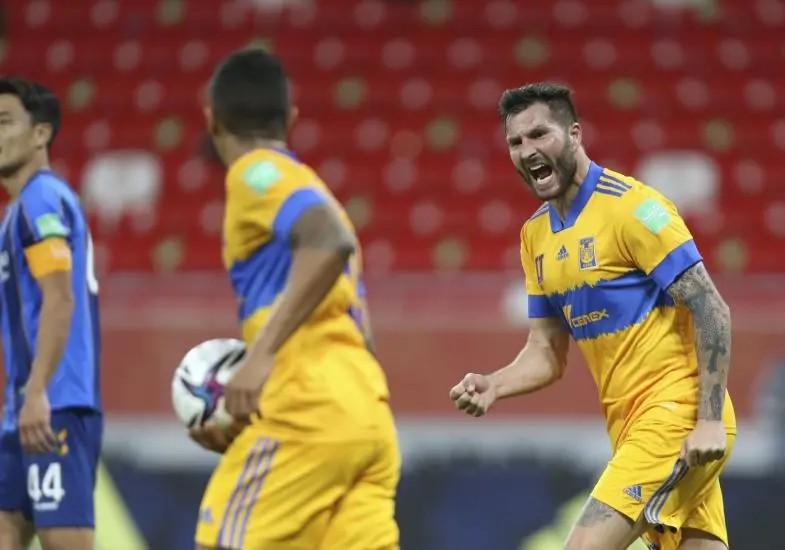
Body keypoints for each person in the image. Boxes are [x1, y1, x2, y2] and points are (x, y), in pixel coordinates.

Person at [449, 83, 735, 550]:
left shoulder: (634, 208)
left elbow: (711, 307)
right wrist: (494, 383)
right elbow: (545, 351)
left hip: (677, 417)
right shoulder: (534, 237)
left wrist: (707, 420)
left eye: (539, 134)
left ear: (574, 134)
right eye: (516, 143)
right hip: (630, 428)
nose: (527, 151)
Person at [189, 47, 400, 550]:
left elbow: (328, 241)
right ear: (291, 118)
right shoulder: (317, 192)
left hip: (306, 408)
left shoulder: (256, 172)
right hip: (367, 415)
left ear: (211, 119)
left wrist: (259, 358)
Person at [0, 78, 102, 550]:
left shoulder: (42, 200)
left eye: (3, 122)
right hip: (23, 411)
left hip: (55, 406)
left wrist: (39, 390)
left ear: (40, 134)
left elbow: (60, 297)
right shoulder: (17, 212)